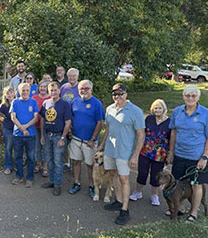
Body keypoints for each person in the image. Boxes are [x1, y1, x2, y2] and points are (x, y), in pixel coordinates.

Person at [167, 85, 208, 222]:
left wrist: (204, 157)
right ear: (183, 96)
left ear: (198, 97)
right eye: (187, 95)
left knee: (196, 185)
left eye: (193, 96)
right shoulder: (177, 111)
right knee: (178, 183)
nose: (190, 98)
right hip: (179, 155)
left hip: (197, 157)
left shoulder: (206, 114)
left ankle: (193, 212)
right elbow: (173, 132)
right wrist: (171, 151)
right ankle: (180, 208)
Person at [99, 83, 145, 225]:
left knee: (124, 179)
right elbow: (108, 128)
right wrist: (102, 144)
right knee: (113, 174)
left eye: (120, 93)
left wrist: (135, 155)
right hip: (110, 150)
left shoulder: (135, 111)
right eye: (114, 94)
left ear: (126, 94)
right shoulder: (110, 109)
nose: (117, 96)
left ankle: (125, 210)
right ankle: (118, 201)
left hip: (125, 152)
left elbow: (141, 135)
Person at [130, 99, 171, 206]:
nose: (157, 110)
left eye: (159, 108)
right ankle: (138, 192)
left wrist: (170, 155)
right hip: (145, 152)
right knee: (142, 173)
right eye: (155, 108)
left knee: (156, 176)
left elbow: (172, 139)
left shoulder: (169, 122)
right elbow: (142, 133)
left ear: (164, 109)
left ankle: (154, 195)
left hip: (160, 155)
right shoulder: (149, 119)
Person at [68, 80, 104, 198]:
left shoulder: (96, 103)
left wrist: (93, 139)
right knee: (76, 162)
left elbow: (100, 123)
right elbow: (71, 118)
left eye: (86, 88)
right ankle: (77, 183)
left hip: (89, 141)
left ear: (91, 89)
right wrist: (70, 131)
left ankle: (91, 185)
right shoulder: (75, 101)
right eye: (81, 88)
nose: (84, 91)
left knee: (90, 164)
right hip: (76, 138)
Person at [39, 82, 72, 196]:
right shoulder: (45, 103)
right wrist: (42, 135)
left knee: (58, 162)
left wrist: (63, 138)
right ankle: (52, 181)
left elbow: (68, 123)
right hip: (48, 136)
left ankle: (58, 185)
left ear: (59, 91)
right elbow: (43, 119)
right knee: (50, 160)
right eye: (51, 90)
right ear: (49, 91)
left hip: (59, 136)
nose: (53, 92)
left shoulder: (65, 104)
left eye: (55, 90)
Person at [10, 83, 39, 188]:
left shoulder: (33, 102)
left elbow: (36, 118)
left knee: (31, 157)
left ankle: (30, 178)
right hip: (18, 134)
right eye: (23, 90)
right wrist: (22, 128)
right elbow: (13, 117)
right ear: (19, 91)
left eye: (27, 90)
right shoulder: (15, 102)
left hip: (30, 135)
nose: (25, 92)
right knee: (18, 157)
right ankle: (19, 176)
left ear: (30, 91)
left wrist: (25, 127)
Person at [0, 86, 16, 175]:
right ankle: (8, 166)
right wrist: (2, 124)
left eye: (11, 92)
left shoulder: (18, 102)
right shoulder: (4, 105)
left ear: (14, 93)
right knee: (8, 147)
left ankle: (18, 165)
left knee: (18, 148)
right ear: (5, 95)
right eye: (8, 93)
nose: (10, 95)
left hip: (18, 129)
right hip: (8, 129)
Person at [32, 80, 50, 177]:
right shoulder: (34, 98)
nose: (42, 88)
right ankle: (38, 165)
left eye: (44, 86)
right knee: (36, 146)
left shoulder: (50, 98)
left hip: (47, 127)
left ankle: (45, 167)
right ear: (38, 88)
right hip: (35, 126)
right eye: (41, 86)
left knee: (46, 147)